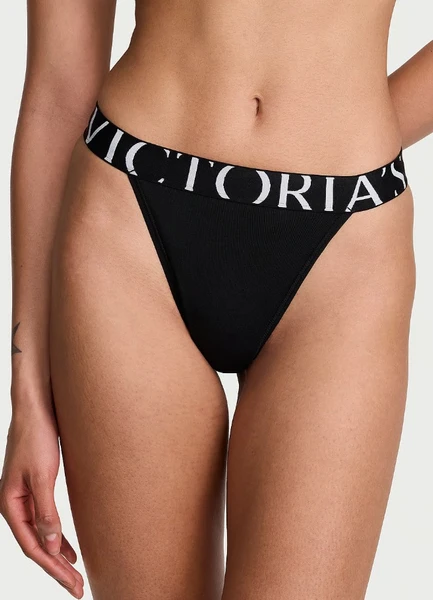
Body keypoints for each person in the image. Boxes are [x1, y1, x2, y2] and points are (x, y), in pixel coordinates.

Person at [0, 1, 432, 599]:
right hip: (132, 223)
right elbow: (57, 88)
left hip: (344, 246)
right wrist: (27, 395)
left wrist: (346, 134)